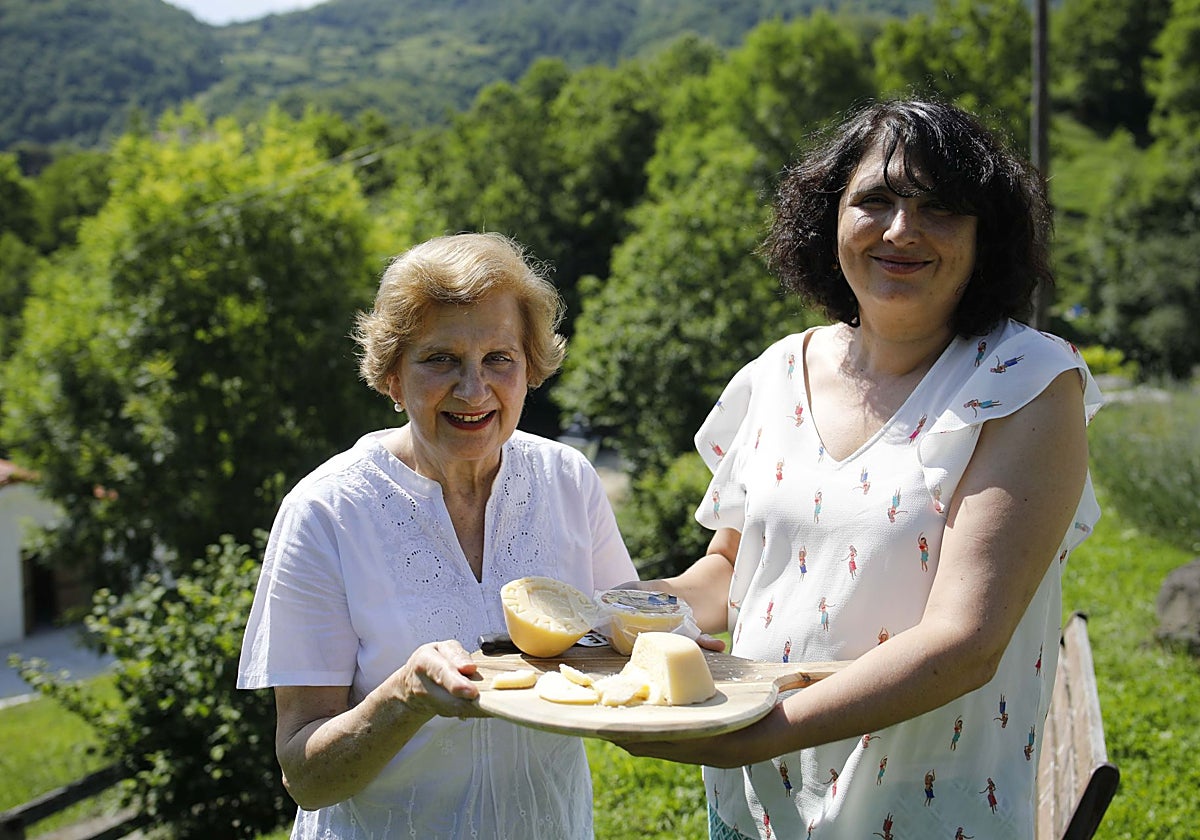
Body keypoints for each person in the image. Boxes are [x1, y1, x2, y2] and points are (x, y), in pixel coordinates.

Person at [615, 99, 1103, 838]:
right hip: (752, 810)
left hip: (918, 813)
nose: (902, 229)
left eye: (940, 208)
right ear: (829, 217)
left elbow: (964, 642)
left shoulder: (1026, 379)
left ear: (984, 237)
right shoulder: (780, 370)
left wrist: (754, 732)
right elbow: (728, 573)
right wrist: (606, 613)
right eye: (875, 200)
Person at [237, 232, 637, 839]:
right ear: (392, 376)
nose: (474, 390)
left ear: (530, 367)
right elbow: (306, 775)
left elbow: (617, 643)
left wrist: (662, 647)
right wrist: (405, 696)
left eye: (499, 358)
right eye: (440, 359)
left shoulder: (567, 481)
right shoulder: (325, 513)